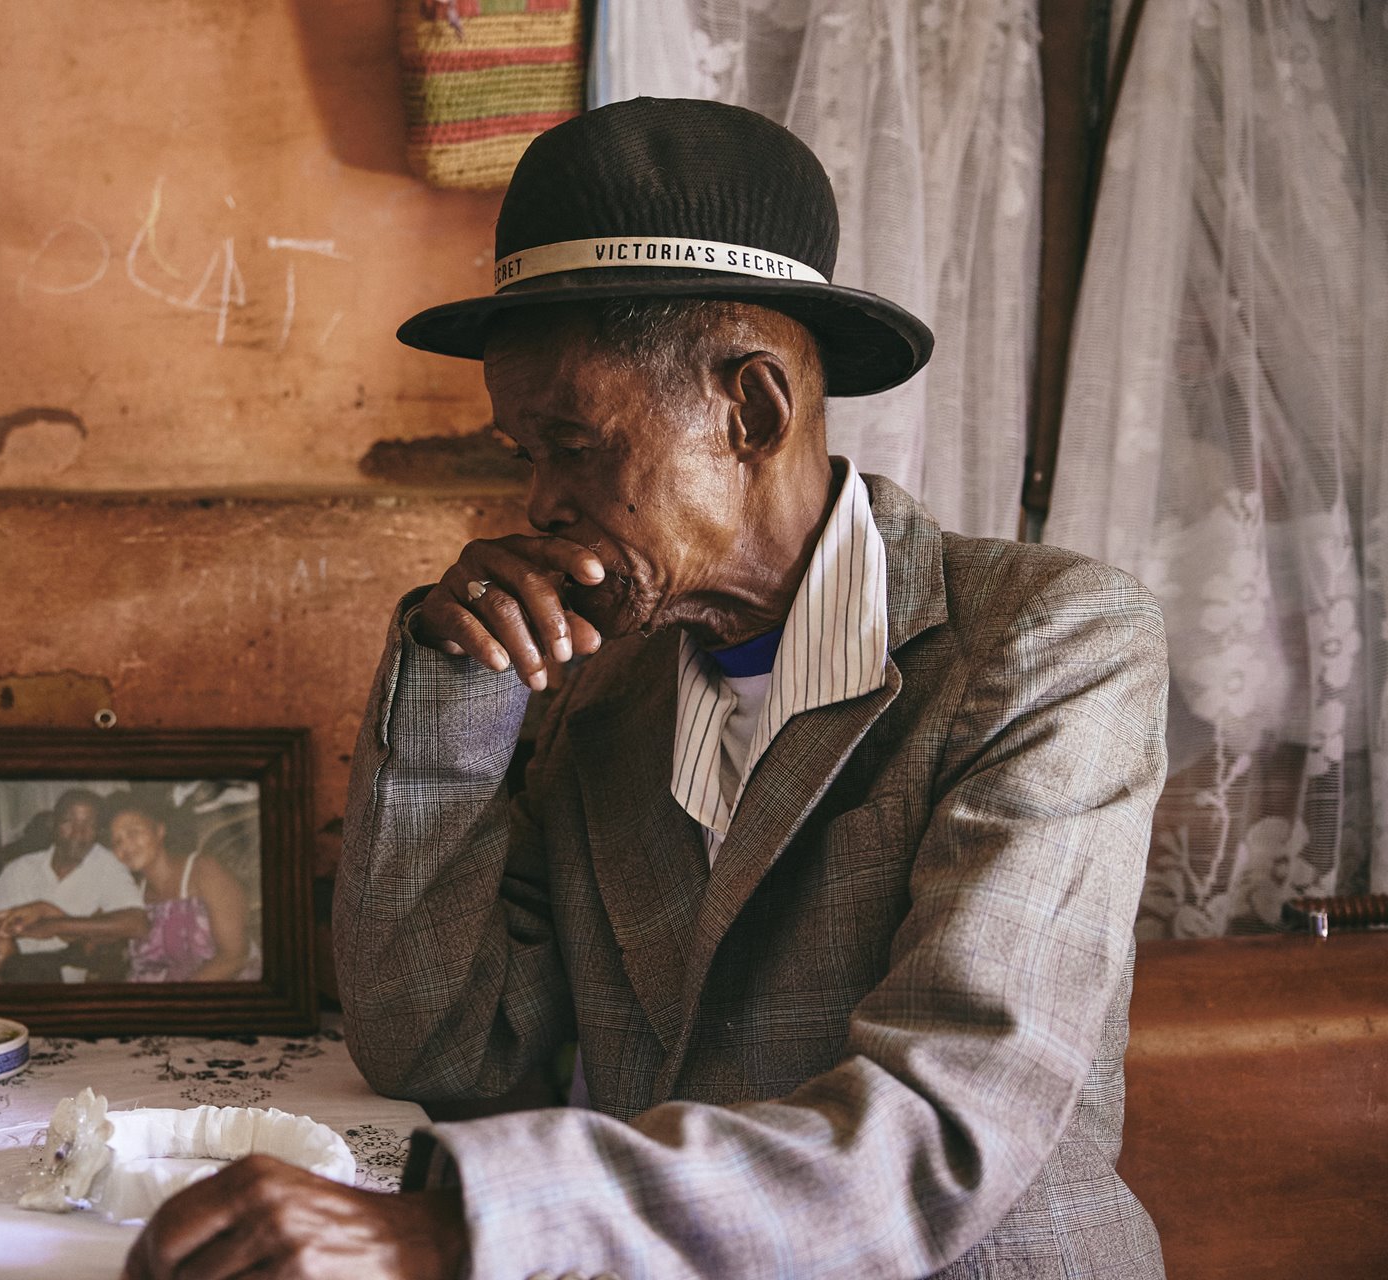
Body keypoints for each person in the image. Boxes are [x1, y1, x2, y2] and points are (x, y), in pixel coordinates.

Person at [124, 99, 1170, 1280]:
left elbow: (944, 1136)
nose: (539, 507)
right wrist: (454, 697)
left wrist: (463, 1225)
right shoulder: (599, 686)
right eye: (527, 457)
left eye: (576, 443)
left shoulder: (1048, 642)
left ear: (753, 410)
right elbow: (439, 1046)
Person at [0, 789, 146, 983]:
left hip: (61, 973)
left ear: (98, 830)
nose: (78, 833)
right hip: (9, 965)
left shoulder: (107, 866)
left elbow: (138, 924)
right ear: (53, 824)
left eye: (89, 824)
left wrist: (51, 919)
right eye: (69, 822)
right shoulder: (20, 868)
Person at [104, 795, 258, 983]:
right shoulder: (134, 894)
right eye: (116, 842)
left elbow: (234, 957)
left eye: (133, 833)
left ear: (160, 831)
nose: (125, 845)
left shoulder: (204, 871)